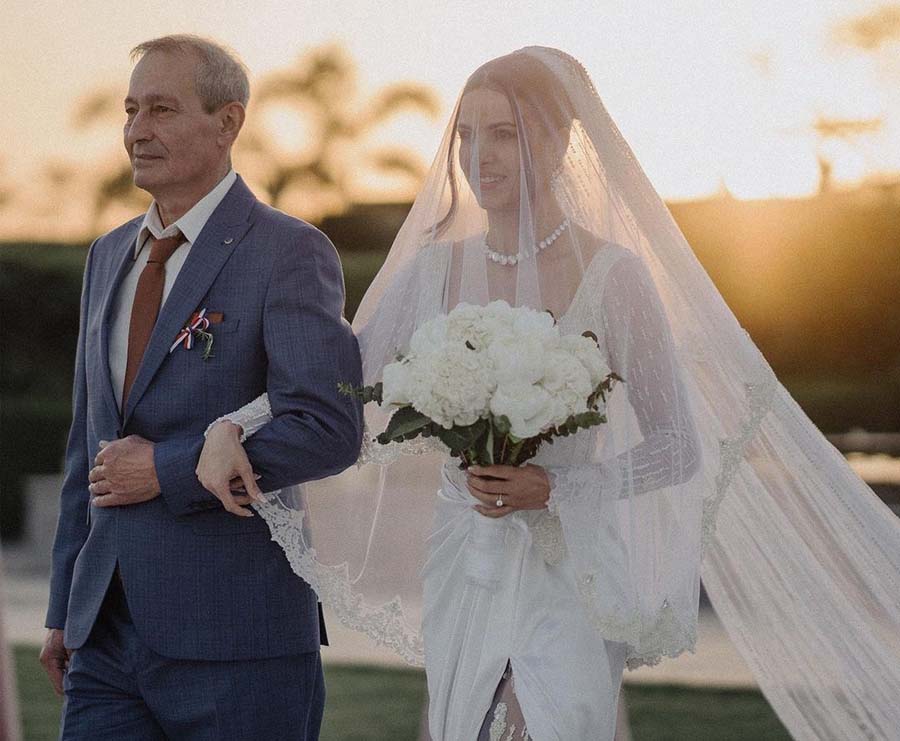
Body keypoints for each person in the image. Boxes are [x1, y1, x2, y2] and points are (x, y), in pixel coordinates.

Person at [199, 47, 900, 741]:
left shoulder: (614, 277)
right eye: (467, 134)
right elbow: (337, 385)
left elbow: (678, 446)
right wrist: (231, 424)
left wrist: (558, 486)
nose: (479, 155)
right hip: (465, 557)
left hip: (570, 566)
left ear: (560, 142)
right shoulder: (434, 271)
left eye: (504, 133)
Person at [40, 34, 363, 740]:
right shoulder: (106, 255)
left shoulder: (289, 250)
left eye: (161, 109)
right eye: (130, 110)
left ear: (228, 122)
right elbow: (86, 446)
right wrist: (65, 606)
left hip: (237, 636)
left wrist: (167, 468)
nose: (137, 130)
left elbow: (328, 425)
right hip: (103, 638)